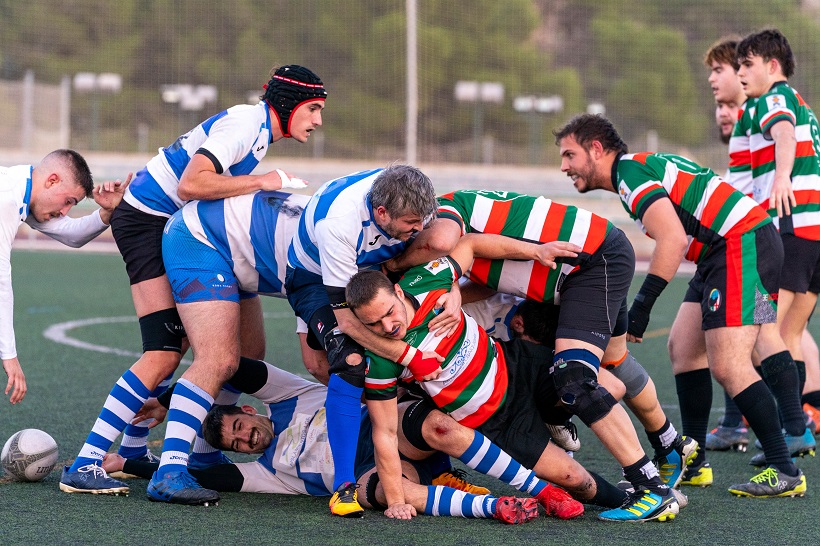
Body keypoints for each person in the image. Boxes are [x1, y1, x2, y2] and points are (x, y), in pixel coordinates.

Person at [59, 64, 326, 498]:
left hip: (191, 231)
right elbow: (191, 183)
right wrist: (264, 182)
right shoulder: (246, 123)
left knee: (245, 356)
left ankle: (155, 449)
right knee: (165, 353)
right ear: (288, 103)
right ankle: (88, 460)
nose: (317, 120)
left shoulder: (256, 131)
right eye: (313, 108)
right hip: (151, 222)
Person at [385, 190, 692, 510]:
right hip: (493, 414)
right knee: (607, 373)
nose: (384, 322)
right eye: (373, 321)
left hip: (520, 357)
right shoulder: (383, 346)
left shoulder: (431, 267)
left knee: (579, 378)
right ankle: (663, 455)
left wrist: (407, 268)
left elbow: (453, 246)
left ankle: (651, 484)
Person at [554, 112, 807, 498]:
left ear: (596, 149)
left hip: (739, 243)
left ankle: (784, 468)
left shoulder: (630, 173)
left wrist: (641, 306)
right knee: (684, 352)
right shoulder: (636, 170)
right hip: (721, 251)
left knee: (729, 364)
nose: (564, 166)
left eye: (569, 155)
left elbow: (671, 240)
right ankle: (694, 461)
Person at [102, 358, 540, 525]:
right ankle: (496, 507)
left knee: (439, 427)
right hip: (374, 475)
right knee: (396, 494)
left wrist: (166, 399)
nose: (245, 439)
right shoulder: (265, 472)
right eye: (237, 445)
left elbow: (231, 366)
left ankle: (534, 483)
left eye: (238, 427)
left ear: (248, 410)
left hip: (390, 434)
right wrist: (127, 462)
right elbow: (197, 471)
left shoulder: (289, 395)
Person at [284, 164, 447, 516]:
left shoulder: (405, 195)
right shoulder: (339, 225)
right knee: (351, 360)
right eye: (411, 224)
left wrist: (455, 296)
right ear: (381, 212)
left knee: (431, 332)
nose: (419, 230)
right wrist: (408, 356)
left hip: (373, 268)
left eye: (423, 220)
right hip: (316, 280)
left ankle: (442, 469)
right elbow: (347, 321)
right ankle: (344, 486)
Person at [735, 28, 819, 461]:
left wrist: (782, 177)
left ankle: (790, 429)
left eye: (747, 64)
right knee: (789, 333)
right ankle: (797, 426)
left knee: (760, 329)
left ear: (772, 66)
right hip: (813, 235)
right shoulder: (799, 101)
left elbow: (783, 136)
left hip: (788, 232)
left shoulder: (773, 99)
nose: (740, 73)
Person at [1, 150, 130, 404]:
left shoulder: (26, 188)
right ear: (52, 181)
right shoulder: (8, 198)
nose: (65, 211)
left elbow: (71, 234)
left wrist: (106, 213)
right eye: (68, 201)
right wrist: (10, 355)